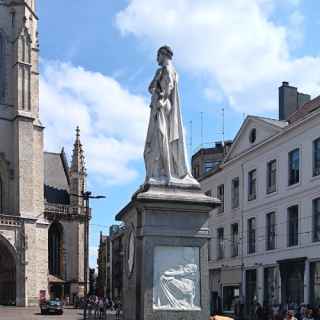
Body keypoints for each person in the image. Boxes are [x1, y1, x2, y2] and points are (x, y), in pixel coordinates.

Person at [144, 45, 197, 185]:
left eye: (158, 55)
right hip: (160, 106)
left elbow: (168, 88)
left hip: (162, 106)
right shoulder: (161, 71)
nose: (157, 59)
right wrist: (156, 80)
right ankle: (163, 171)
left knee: (160, 141)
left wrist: (160, 100)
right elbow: (150, 88)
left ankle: (166, 173)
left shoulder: (168, 70)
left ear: (164, 54)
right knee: (159, 142)